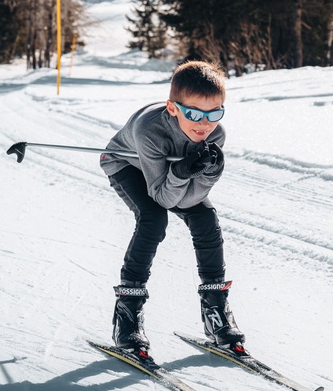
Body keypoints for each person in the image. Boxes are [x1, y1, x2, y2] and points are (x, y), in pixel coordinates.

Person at [100, 61, 245, 356]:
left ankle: (215, 312)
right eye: (194, 114)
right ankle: (127, 315)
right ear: (172, 108)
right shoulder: (149, 130)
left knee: (206, 218)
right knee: (153, 219)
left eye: (215, 113)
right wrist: (180, 173)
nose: (205, 124)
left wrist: (209, 173)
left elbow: (188, 201)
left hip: (171, 175)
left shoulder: (215, 135)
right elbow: (164, 199)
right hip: (127, 164)